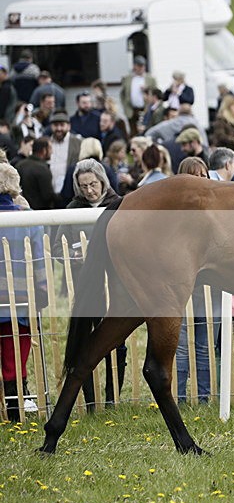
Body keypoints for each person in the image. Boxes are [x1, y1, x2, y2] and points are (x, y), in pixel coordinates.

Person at [54, 159, 124, 408]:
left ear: (102, 180)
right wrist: (71, 256)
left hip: (114, 281)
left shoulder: (118, 204)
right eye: (83, 186)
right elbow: (56, 245)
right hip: (84, 279)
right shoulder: (74, 208)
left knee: (116, 339)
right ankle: (92, 401)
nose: (89, 190)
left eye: (93, 184)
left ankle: (112, 396)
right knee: (86, 338)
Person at [0, 162, 46, 422]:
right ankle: (15, 409)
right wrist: (42, 293)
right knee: (14, 354)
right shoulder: (28, 219)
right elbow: (39, 262)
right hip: (18, 300)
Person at [120, 56, 157, 133]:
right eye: (139, 66)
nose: (141, 68)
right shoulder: (127, 78)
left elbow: (156, 93)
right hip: (131, 110)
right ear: (134, 66)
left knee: (145, 130)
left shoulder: (150, 79)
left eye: (143, 66)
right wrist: (124, 106)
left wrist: (147, 89)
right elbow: (122, 94)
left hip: (145, 109)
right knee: (133, 131)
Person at [16, 137, 55, 210]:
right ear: (44, 150)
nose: (52, 152)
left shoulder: (19, 165)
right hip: (39, 214)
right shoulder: (43, 169)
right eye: (50, 148)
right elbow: (47, 196)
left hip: (21, 211)